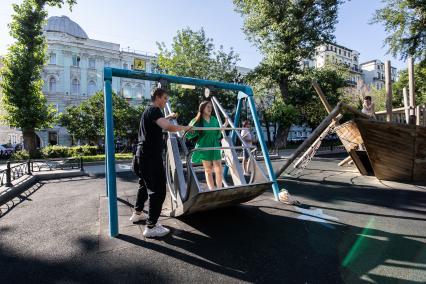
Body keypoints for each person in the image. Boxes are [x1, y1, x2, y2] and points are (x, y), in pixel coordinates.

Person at [129, 88, 191, 238]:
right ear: (157, 97)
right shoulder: (155, 110)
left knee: (144, 185)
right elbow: (168, 127)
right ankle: (151, 227)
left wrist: (168, 116)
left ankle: (137, 213)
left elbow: (161, 122)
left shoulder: (148, 111)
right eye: (164, 98)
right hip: (150, 157)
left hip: (141, 155)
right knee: (158, 191)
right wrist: (185, 128)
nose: (166, 101)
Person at [187, 101, 223, 190]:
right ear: (202, 108)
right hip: (204, 145)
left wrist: (223, 126)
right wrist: (190, 131)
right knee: (208, 169)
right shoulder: (197, 120)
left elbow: (218, 133)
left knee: (218, 168)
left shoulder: (214, 119)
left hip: (215, 145)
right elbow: (189, 134)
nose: (210, 108)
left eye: (211, 107)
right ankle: (212, 189)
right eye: (208, 107)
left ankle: (220, 188)